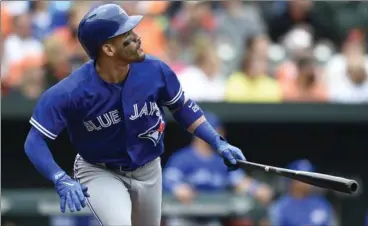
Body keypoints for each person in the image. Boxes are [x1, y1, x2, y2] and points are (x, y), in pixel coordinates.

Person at [23, 4, 246, 226]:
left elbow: (181, 108)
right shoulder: (71, 91)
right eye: (127, 35)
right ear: (108, 49)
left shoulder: (155, 70)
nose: (137, 37)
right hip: (100, 170)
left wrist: (217, 141)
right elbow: (34, 140)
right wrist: (59, 177)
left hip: (148, 168)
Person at [163, 111, 273, 226]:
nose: (220, 136)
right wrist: (177, 187)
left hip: (211, 217)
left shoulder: (221, 161)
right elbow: (168, 179)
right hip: (183, 215)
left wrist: (257, 189)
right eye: (214, 131)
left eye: (219, 132)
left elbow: (239, 181)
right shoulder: (182, 158)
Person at [269, 159, 336, 226]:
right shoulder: (280, 206)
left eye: (310, 177)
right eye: (304, 178)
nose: (308, 181)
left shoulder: (322, 203)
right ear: (292, 180)